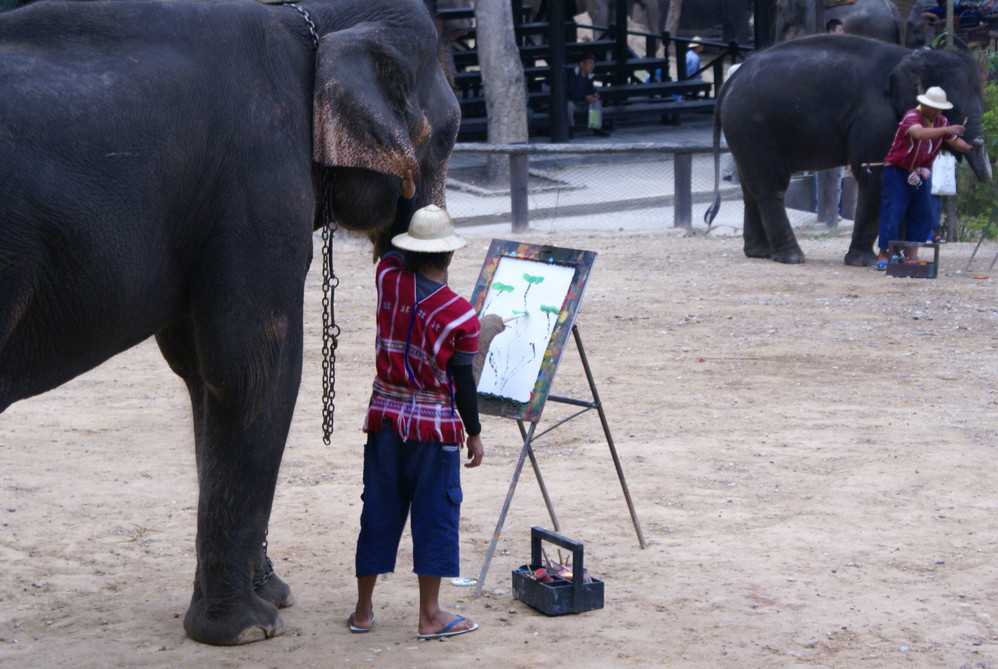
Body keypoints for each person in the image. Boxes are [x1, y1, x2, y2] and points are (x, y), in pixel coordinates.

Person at [349, 173, 484, 640]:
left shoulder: (388, 280)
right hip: (434, 431)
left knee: (378, 511)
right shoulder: (462, 315)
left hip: (384, 420)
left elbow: (392, 246)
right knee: (435, 516)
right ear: (450, 255)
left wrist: (407, 200)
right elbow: (462, 381)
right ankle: (430, 616)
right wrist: (474, 432)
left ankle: (363, 611)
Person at [875, 86, 973, 269]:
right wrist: (946, 129)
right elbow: (919, 134)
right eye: (934, 108)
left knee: (922, 213)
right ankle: (883, 254)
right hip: (898, 170)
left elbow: (955, 141)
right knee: (893, 212)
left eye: (940, 109)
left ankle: (912, 254)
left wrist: (970, 148)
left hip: (921, 172)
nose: (937, 112)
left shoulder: (941, 121)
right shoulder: (912, 116)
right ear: (924, 105)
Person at [566, 52, 609, 137]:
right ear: (582, 64)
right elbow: (571, 93)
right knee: (568, 105)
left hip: (584, 104)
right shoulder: (571, 75)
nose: (592, 66)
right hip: (574, 103)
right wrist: (586, 97)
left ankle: (596, 127)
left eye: (593, 64)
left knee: (596, 102)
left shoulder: (588, 76)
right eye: (590, 63)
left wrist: (594, 95)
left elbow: (591, 89)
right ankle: (569, 129)